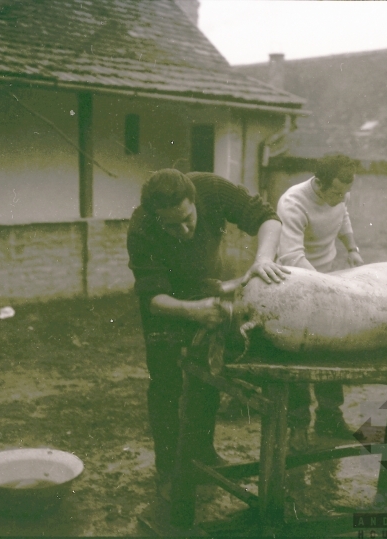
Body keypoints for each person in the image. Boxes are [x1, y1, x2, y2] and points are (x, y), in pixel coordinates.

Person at [127, 168, 289, 493]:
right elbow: (153, 300)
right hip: (166, 305)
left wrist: (262, 258)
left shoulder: (213, 189)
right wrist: (192, 311)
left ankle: (203, 454)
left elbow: (269, 219)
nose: (184, 229)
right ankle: (170, 467)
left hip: (207, 288)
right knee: (166, 385)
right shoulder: (141, 227)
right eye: (172, 225)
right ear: (155, 217)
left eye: (188, 217)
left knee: (207, 374)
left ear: (194, 200)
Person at [276, 154, 364, 452]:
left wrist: (351, 248)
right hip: (294, 284)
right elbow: (290, 256)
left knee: (331, 349)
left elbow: (343, 215)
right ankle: (296, 425)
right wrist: (327, 288)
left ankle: (329, 417)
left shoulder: (338, 194)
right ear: (318, 182)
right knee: (300, 355)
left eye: (344, 193)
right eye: (335, 192)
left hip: (326, 278)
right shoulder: (293, 203)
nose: (341, 198)